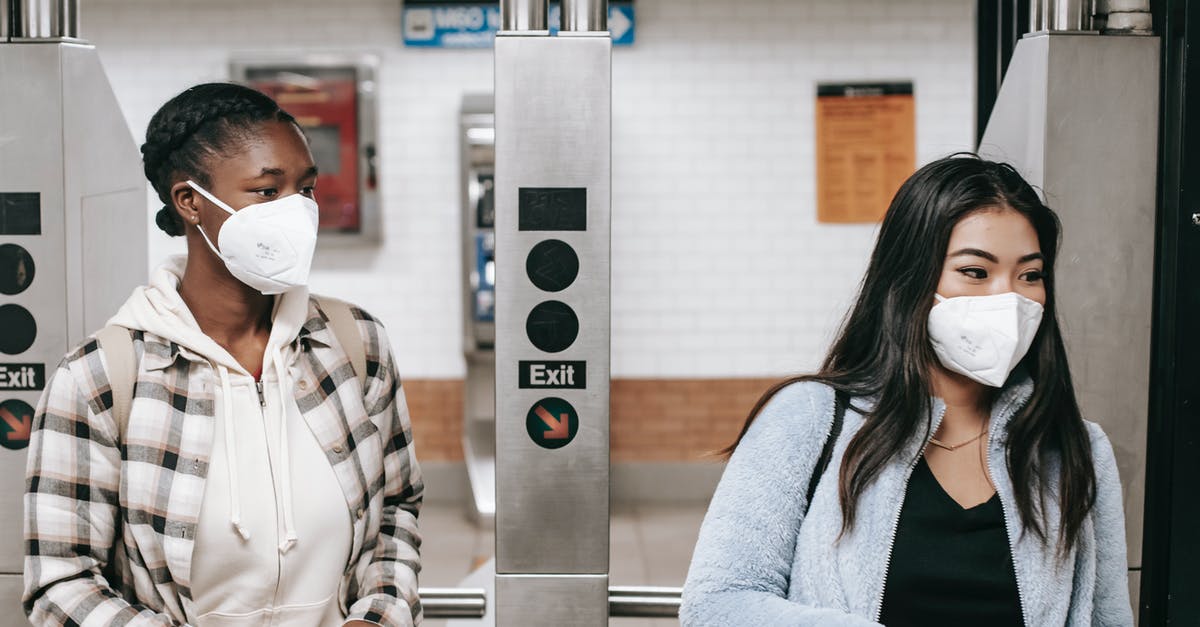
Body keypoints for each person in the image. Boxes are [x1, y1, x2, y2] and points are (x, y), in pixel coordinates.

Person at [23, 83, 423, 626]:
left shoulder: (356, 345)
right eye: (266, 191)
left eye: (305, 189)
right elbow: (61, 583)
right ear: (189, 201)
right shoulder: (99, 378)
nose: (297, 212)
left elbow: (396, 513)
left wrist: (376, 617)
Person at [680, 155, 1132, 626]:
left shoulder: (1073, 448)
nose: (1010, 298)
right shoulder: (807, 418)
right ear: (909, 277)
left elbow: (1108, 619)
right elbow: (718, 603)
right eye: (975, 272)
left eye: (1030, 275)